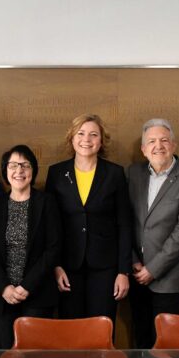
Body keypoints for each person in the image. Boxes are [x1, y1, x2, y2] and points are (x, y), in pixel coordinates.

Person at [45, 114, 132, 320]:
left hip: (105, 267)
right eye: (81, 133)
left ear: (101, 141)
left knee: (102, 327)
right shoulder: (56, 173)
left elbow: (124, 224)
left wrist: (123, 272)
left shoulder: (115, 173)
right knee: (71, 328)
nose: (86, 139)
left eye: (93, 134)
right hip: (67, 266)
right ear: (72, 138)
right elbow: (50, 225)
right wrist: (55, 266)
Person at [126, 119, 179, 347]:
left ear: (173, 145)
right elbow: (124, 220)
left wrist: (153, 269)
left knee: (166, 347)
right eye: (151, 141)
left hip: (169, 278)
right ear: (143, 149)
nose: (158, 146)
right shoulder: (132, 173)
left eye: (164, 140)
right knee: (141, 342)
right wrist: (133, 261)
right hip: (136, 275)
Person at [0, 144, 62, 349]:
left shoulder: (47, 202)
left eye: (25, 165)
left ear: (33, 170)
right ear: (5, 171)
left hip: (37, 293)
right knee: (5, 357)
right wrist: (4, 287)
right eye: (13, 165)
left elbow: (53, 248)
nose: (19, 171)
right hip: (3, 296)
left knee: (34, 357)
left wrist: (27, 285)